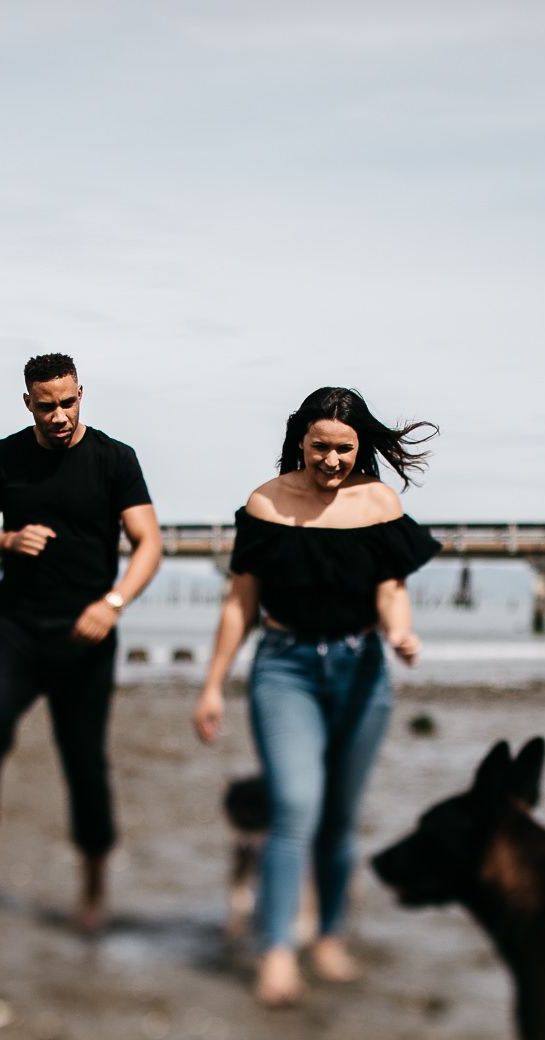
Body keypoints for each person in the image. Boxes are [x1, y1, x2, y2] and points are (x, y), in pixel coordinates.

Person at [193, 387, 438, 1005]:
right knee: (295, 807)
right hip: (286, 668)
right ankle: (276, 951)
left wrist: (402, 632)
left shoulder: (379, 502)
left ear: (361, 448)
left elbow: (391, 589)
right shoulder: (267, 504)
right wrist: (213, 685)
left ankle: (328, 937)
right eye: (320, 447)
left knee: (338, 820)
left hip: (362, 669)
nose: (331, 461)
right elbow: (240, 602)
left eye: (344, 450)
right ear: (300, 440)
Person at [0, 353, 162, 934]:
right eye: (46, 405)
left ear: (81, 394)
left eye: (68, 403)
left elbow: (148, 542)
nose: (59, 416)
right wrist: (7, 541)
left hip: (86, 631)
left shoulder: (115, 460)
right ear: (28, 402)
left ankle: (92, 894)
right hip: (15, 627)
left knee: (83, 761)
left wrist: (112, 605)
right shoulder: (3, 457)